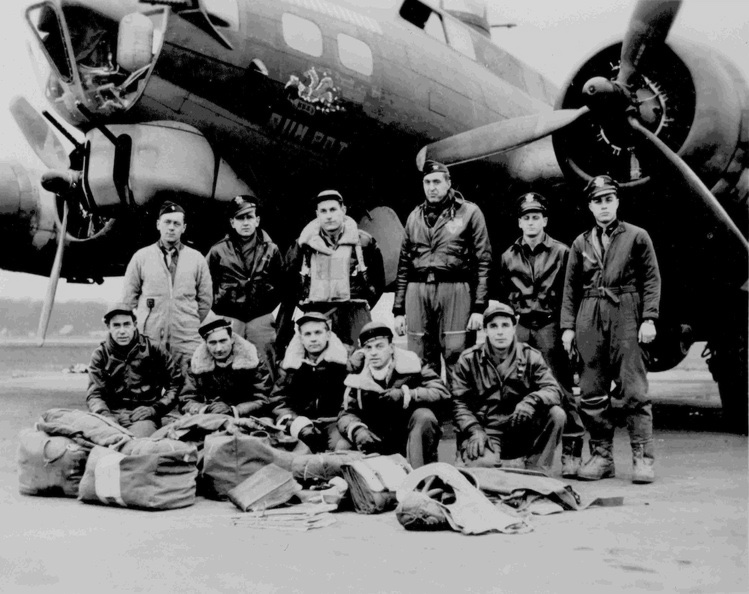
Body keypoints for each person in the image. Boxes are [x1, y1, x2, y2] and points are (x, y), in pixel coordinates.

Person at [561, 175, 661, 483]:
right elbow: (569, 289)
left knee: (634, 389)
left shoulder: (637, 236)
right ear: (590, 206)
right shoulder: (580, 242)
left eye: (608, 200)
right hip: (589, 313)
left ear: (616, 202)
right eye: (597, 201)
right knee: (591, 389)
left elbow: (651, 279)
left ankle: (642, 458)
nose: (603, 206)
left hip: (625, 310)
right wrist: (568, 327)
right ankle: (602, 456)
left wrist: (649, 319)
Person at [496, 192, 586, 477]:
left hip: (549, 325)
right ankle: (516, 452)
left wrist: (567, 328)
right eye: (526, 218)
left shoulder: (562, 252)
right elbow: (501, 296)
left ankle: (572, 453)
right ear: (520, 222)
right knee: (514, 386)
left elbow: (572, 293)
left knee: (560, 388)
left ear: (545, 220)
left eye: (536, 217)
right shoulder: (508, 256)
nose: (531, 222)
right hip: (521, 325)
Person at [393, 160, 492, 380]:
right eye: (427, 182)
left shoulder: (469, 213)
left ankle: (460, 410)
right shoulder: (414, 217)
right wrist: (398, 310)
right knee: (419, 355)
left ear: (449, 183)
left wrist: (478, 307)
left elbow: (483, 262)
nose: (432, 187)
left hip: (455, 289)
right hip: (417, 291)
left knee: (457, 352)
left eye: (437, 181)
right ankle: (429, 406)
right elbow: (403, 266)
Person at [451, 303, 565, 472]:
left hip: (519, 430)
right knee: (482, 472)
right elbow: (458, 403)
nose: (499, 332)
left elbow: (554, 390)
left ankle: (536, 469)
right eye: (493, 326)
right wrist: (474, 430)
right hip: (486, 432)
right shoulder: (468, 360)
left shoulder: (530, 356)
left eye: (505, 325)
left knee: (556, 414)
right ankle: (472, 459)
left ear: (514, 327)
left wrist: (531, 401)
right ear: (485, 330)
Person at [278, 189, 385, 350]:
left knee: (358, 362)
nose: (329, 216)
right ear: (317, 214)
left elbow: (378, 281)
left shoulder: (363, 242)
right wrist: (307, 306)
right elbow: (290, 283)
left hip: (354, 313)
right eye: (323, 211)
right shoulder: (303, 245)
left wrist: (361, 304)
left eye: (333, 209)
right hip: (317, 314)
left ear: (343, 210)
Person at [337, 321, 450, 468]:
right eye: (368, 347)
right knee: (343, 445)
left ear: (391, 348)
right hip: (374, 439)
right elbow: (345, 413)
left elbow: (441, 393)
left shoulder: (413, 365)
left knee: (424, 416)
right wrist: (357, 430)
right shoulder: (357, 376)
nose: (374, 352)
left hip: (409, 438)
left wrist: (407, 394)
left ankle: (420, 480)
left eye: (379, 346)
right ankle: (360, 488)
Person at [122, 201, 212, 371]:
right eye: (167, 222)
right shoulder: (141, 257)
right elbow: (128, 299)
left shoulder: (197, 259)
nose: (171, 228)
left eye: (176, 224)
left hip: (186, 339)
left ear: (184, 228)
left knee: (188, 388)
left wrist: (187, 321)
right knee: (150, 387)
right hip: (151, 338)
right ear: (158, 224)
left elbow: (205, 301)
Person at [207, 195, 284, 376]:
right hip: (229, 317)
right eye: (240, 218)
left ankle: (268, 400)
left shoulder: (271, 249)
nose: (245, 223)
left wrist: (267, 305)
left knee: (265, 359)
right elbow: (204, 284)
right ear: (232, 222)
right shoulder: (217, 251)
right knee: (231, 361)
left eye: (249, 217)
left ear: (257, 220)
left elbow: (281, 283)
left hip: (261, 316)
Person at [86, 303, 183, 437]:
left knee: (136, 444)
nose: (122, 331)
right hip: (110, 415)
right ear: (108, 327)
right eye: (116, 325)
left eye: (127, 324)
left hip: (143, 416)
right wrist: (105, 415)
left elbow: (175, 383)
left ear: (135, 324)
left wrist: (155, 409)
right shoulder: (100, 355)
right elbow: (94, 394)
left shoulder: (154, 349)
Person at [270, 311, 352, 453]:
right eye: (308, 334)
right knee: (296, 458)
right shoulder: (290, 366)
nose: (313, 339)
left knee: (341, 451)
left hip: (335, 423)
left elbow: (353, 400)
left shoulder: (345, 362)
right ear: (300, 338)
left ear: (328, 335)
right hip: (303, 424)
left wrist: (341, 420)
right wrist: (297, 424)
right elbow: (279, 401)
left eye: (318, 333)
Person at [181, 315, 272, 417]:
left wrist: (234, 410)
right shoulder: (196, 363)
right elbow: (186, 398)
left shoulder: (253, 360)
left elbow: (263, 399)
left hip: (245, 416)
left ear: (232, 339)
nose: (218, 349)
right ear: (206, 343)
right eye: (212, 343)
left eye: (223, 341)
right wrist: (206, 408)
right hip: (209, 416)